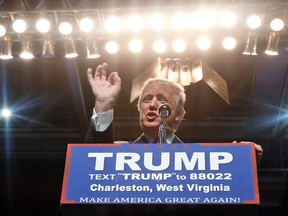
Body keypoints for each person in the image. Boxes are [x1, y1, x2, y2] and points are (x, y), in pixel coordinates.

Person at [85, 62, 263, 162]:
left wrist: (240, 160)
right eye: (146, 99)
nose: (152, 104)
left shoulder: (203, 160)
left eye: (162, 99)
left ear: (179, 114)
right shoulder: (120, 151)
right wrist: (104, 104)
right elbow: (91, 157)